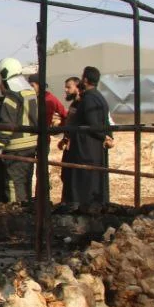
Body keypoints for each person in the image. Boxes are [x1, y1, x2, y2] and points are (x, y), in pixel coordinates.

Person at [0, 57, 40, 205]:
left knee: (13, 183)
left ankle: (16, 213)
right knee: (25, 181)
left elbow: (7, 125)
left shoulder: (12, 96)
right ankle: (26, 210)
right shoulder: (30, 92)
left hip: (15, 148)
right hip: (31, 145)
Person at [69, 66, 113, 208]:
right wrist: (107, 136)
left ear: (85, 80)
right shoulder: (99, 97)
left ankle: (86, 208)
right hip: (94, 148)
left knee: (86, 180)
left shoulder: (88, 100)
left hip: (86, 148)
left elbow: (92, 123)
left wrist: (103, 137)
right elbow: (105, 121)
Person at [58, 76, 82, 204]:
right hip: (69, 146)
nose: (65, 90)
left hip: (76, 148)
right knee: (66, 175)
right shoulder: (74, 104)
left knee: (72, 176)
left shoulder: (81, 103)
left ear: (77, 87)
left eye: (69, 87)